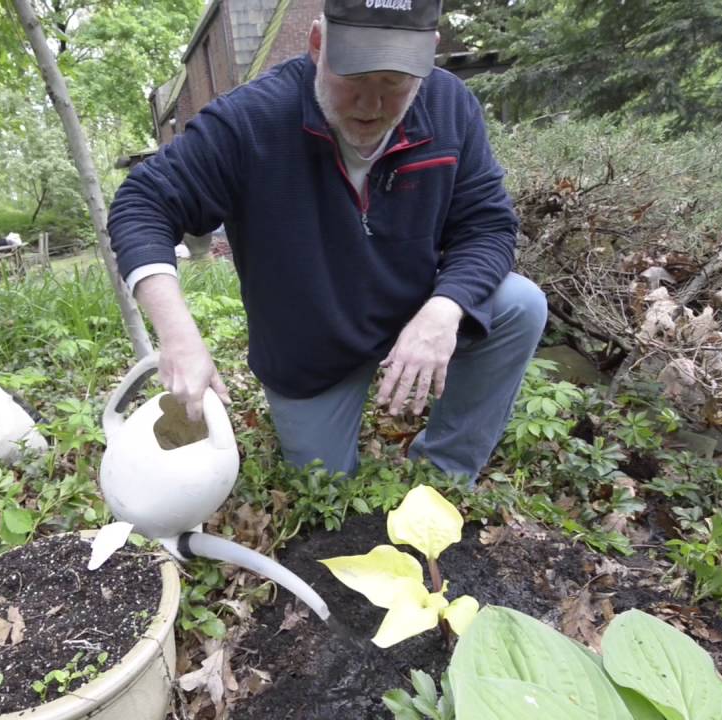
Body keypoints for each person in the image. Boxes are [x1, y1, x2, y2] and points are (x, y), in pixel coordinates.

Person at [107, 0, 546, 484]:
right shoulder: (250, 121)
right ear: (317, 43)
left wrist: (445, 309)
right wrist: (178, 334)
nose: (371, 106)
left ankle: (445, 473)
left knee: (520, 304)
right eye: (354, 75)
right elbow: (142, 203)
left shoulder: (449, 106)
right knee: (323, 484)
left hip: (413, 310)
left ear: (429, 55)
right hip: (310, 348)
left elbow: (488, 225)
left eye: (394, 82)